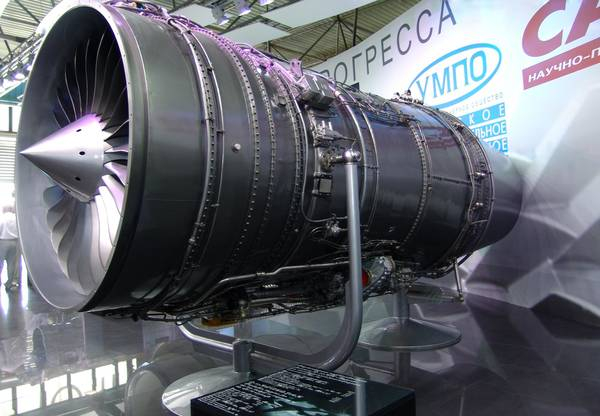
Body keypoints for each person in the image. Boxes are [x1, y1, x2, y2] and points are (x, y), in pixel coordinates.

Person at [0, 204, 20, 291]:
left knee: (0, 263)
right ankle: (10, 283)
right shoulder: (16, 218)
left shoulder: (2, 218)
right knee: (12, 264)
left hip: (3, 242)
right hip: (15, 242)